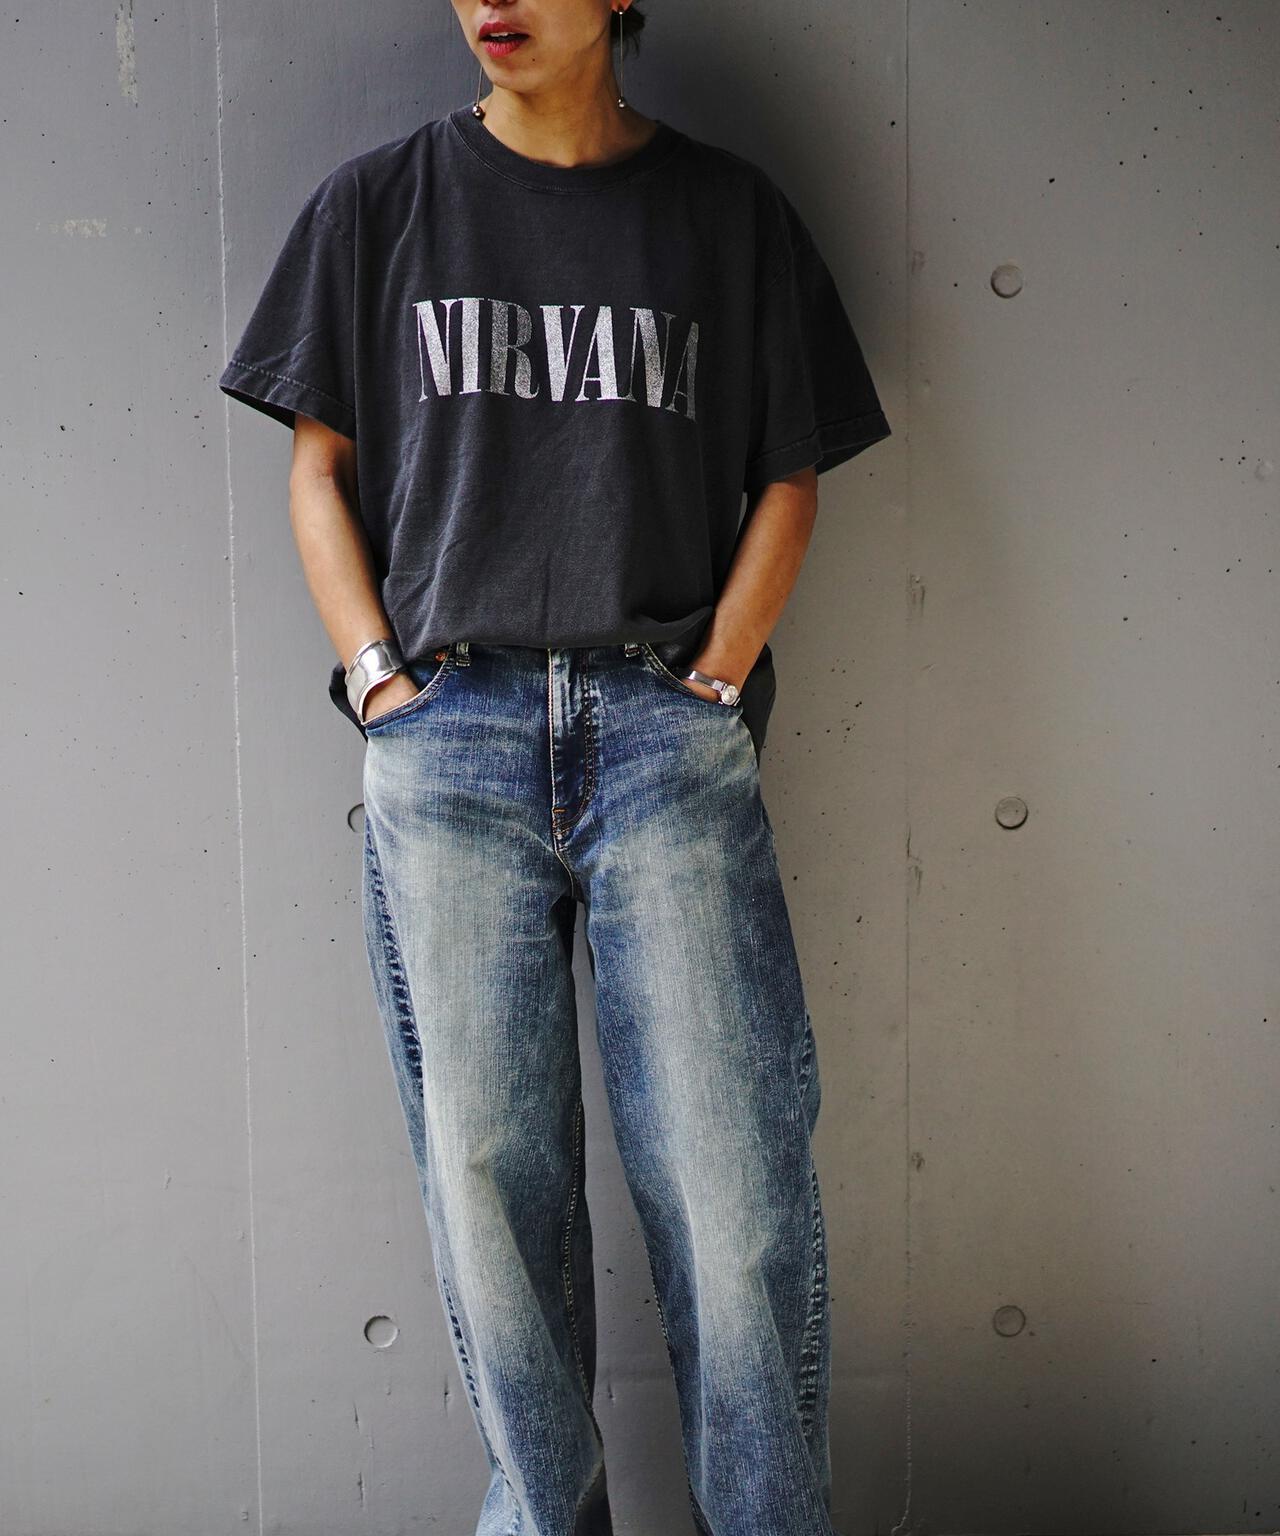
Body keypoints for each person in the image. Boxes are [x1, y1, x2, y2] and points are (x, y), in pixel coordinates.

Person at [218, 3, 892, 1531]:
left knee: (733, 1190)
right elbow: (316, 467)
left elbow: (789, 472)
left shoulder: (725, 215)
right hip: (447, 739)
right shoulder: (378, 208)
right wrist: (380, 683)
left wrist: (714, 679)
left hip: (665, 734)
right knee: (488, 1194)